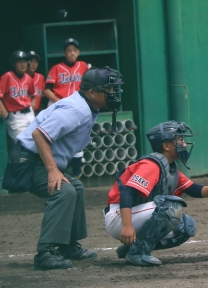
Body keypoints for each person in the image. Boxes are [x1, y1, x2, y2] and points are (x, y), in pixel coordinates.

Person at [1, 67, 123, 271]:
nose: (113, 93)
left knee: (76, 187)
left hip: (35, 160)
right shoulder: (76, 110)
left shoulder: (87, 106)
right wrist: (52, 170)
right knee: (63, 191)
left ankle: (67, 246)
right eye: (109, 89)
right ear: (92, 92)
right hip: (26, 162)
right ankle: (45, 253)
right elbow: (39, 135)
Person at [105, 121, 208, 267]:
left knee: (185, 226)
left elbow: (193, 189)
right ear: (166, 146)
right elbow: (127, 192)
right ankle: (138, 253)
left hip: (135, 214)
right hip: (120, 216)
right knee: (171, 207)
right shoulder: (151, 165)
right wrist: (127, 226)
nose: (183, 144)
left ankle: (132, 248)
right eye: (179, 140)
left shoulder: (170, 167)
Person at [44, 38, 90, 176]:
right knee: (55, 138)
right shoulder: (56, 68)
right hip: (58, 104)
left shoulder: (83, 66)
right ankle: (56, 171)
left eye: (74, 50)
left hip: (76, 107)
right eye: (69, 50)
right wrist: (59, 102)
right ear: (64, 53)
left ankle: (75, 174)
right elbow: (47, 90)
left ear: (78, 52)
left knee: (77, 139)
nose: (72, 53)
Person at [0, 51, 37, 143]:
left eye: (24, 61)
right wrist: (2, 107)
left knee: (36, 142)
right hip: (16, 117)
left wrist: (33, 101)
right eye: (19, 62)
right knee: (22, 144)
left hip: (30, 114)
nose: (23, 64)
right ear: (14, 64)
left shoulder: (28, 78)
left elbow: (34, 94)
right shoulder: (7, 76)